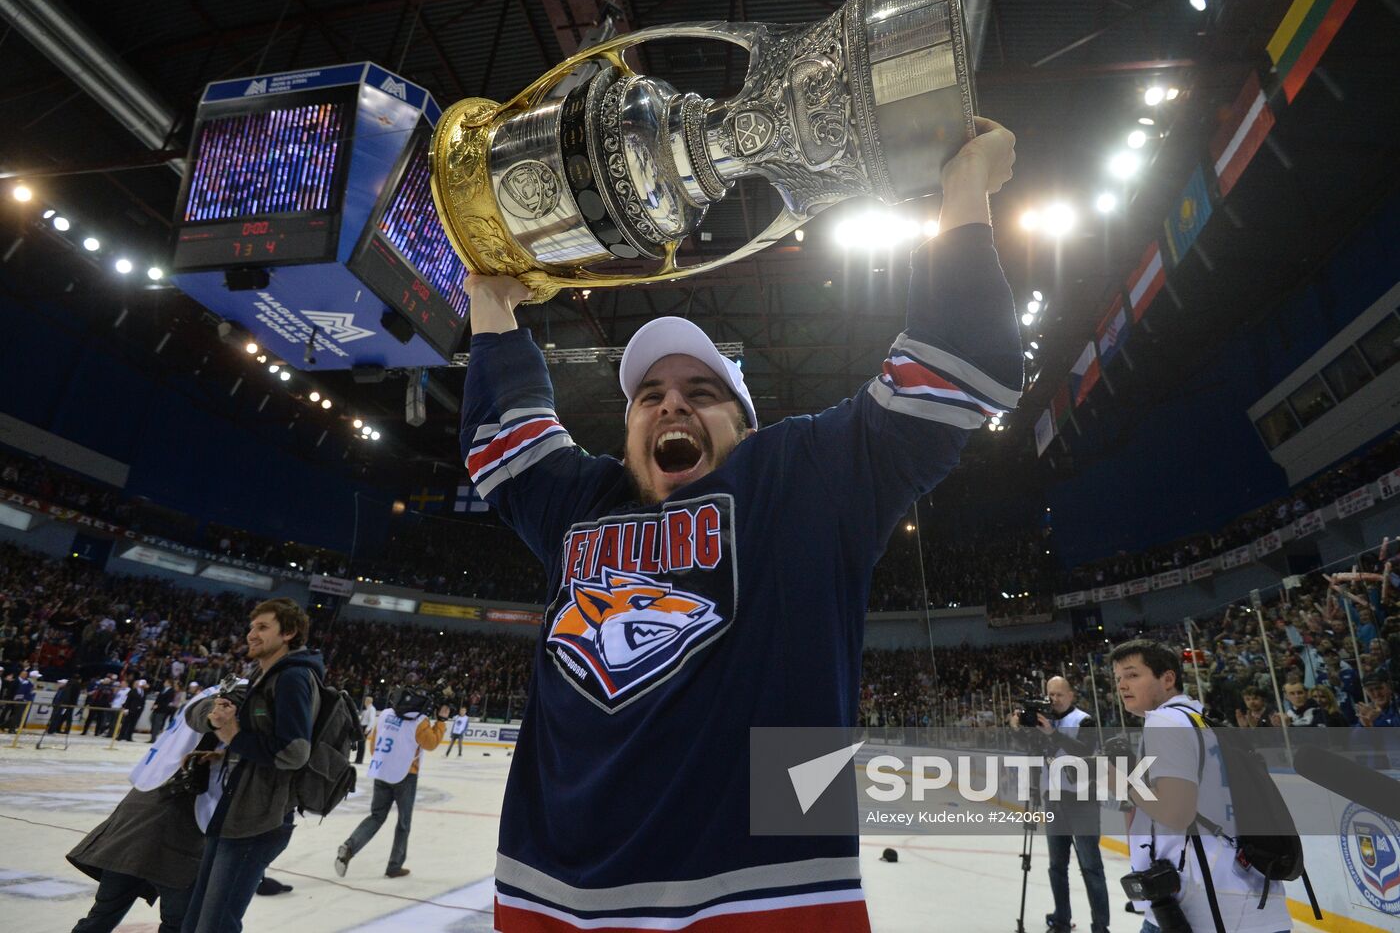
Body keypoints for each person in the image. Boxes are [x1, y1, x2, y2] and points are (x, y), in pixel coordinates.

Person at [461, 120, 1020, 928]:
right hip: (550, 900)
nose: (671, 403)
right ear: (627, 435)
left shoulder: (799, 480)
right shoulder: (585, 502)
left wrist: (964, 188)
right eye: (648, 397)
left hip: (764, 902)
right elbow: (501, 439)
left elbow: (961, 363)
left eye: (701, 391)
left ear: (746, 428)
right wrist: (493, 299)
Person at [1108, 639, 1290, 933]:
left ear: (1168, 678)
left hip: (1205, 904)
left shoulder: (1164, 721)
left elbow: (1176, 812)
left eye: (1132, 675)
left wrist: (1121, 782)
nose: (1122, 685)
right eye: (1118, 678)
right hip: (1242, 892)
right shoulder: (1200, 718)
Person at [180, 598, 322, 933]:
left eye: (262, 627)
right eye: (251, 627)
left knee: (214, 926)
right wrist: (228, 754)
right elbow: (265, 740)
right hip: (235, 812)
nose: (251, 635)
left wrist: (232, 736)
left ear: (288, 633)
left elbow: (295, 752)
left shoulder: (294, 677)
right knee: (194, 922)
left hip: (258, 822)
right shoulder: (264, 674)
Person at [66, 681, 245, 933]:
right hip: (175, 836)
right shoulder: (222, 715)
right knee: (177, 923)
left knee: (102, 914)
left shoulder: (203, 705)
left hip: (132, 828)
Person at [1020, 676, 1110, 933]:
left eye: (1060, 694)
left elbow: (1084, 751)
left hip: (1083, 801)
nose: (1055, 700)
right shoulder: (1043, 722)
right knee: (1057, 866)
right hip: (1054, 800)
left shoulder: (1084, 720)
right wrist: (1021, 729)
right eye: (1050, 695)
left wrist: (1053, 733)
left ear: (1071, 695)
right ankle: (1061, 919)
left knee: (1091, 867)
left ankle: (1100, 927)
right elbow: (1033, 753)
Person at [334, 689, 448, 878]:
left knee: (376, 816)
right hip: (406, 775)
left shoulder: (386, 714)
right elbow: (431, 743)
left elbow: (374, 743)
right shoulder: (420, 722)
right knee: (403, 822)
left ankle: (350, 846)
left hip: (382, 770)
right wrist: (441, 722)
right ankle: (394, 866)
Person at [356, 695, 375, 765]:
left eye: (366, 700)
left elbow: (372, 720)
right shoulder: (366, 709)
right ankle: (358, 759)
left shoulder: (372, 709)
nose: (364, 702)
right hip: (362, 726)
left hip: (366, 727)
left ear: (369, 701)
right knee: (360, 743)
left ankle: (359, 760)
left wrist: (368, 728)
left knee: (361, 743)